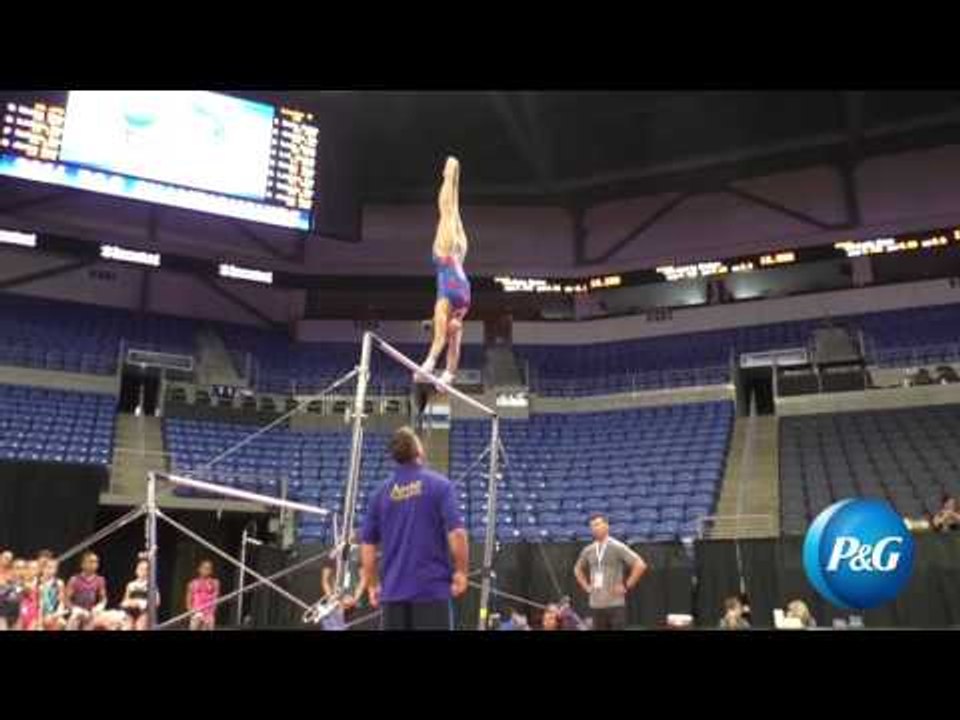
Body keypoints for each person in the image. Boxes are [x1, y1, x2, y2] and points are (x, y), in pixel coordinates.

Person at [360, 425, 469, 630]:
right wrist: (461, 572)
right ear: (419, 450)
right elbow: (457, 533)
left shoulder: (379, 494)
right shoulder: (440, 485)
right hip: (431, 591)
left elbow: (367, 547)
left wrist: (373, 584)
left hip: (393, 594)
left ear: (394, 457)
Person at [415, 156, 471, 388]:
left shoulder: (457, 316)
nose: (453, 331)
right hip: (448, 259)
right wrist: (426, 367)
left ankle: (454, 176)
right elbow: (440, 341)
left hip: (458, 261)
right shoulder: (445, 308)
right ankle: (450, 174)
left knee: (452, 211)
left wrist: (447, 376)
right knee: (448, 211)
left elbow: (450, 348)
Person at [574, 513, 647, 631]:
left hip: (615, 604)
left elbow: (640, 565)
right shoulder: (588, 550)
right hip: (595, 604)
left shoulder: (617, 546)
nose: (595, 528)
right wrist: (586, 586)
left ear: (607, 526)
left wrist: (626, 585)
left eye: (597, 524)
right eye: (592, 526)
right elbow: (577, 569)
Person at [320, 530, 369, 630]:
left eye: (350, 537)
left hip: (352, 599)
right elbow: (325, 580)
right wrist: (331, 597)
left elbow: (363, 579)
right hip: (336, 599)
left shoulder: (358, 553)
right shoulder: (332, 556)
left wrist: (355, 598)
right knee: (332, 621)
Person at [65, 551, 108, 631]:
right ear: (83, 564)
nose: (94, 564)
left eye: (96, 562)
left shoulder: (100, 580)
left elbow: (103, 599)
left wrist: (100, 606)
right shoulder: (74, 579)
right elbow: (66, 600)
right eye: (91, 562)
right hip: (77, 612)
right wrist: (74, 609)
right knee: (75, 618)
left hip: (92, 612)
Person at [121, 558, 157, 631]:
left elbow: (156, 601)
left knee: (140, 626)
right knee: (127, 627)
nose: (143, 572)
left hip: (143, 612)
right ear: (136, 570)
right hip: (130, 611)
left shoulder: (151, 585)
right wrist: (128, 603)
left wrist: (141, 603)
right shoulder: (131, 585)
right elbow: (125, 600)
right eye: (141, 569)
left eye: (146, 569)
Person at [186, 559, 220, 631]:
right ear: (199, 569)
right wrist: (191, 612)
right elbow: (188, 599)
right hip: (196, 611)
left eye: (209, 568)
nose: (206, 570)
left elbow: (216, 598)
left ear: (211, 571)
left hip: (209, 613)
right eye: (204, 568)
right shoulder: (192, 583)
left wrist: (211, 613)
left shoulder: (215, 582)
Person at [39, 557, 66, 631]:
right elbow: (40, 604)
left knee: (61, 622)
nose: (50, 570)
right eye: (48, 567)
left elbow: (61, 602)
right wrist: (40, 621)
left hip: (55, 614)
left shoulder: (59, 583)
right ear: (43, 568)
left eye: (53, 568)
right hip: (41, 614)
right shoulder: (39, 584)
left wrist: (58, 613)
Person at [0, 556, 23, 631]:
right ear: (11, 569)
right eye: (16, 568)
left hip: (16, 615)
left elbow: (19, 598)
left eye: (20, 568)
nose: (18, 571)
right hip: (2, 615)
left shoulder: (20, 583)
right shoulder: (3, 581)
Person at [18, 559, 40, 631]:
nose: (32, 570)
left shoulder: (40, 583)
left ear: (38, 570)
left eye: (35, 568)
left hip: (33, 613)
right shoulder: (20, 581)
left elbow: (40, 602)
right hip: (20, 611)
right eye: (30, 568)